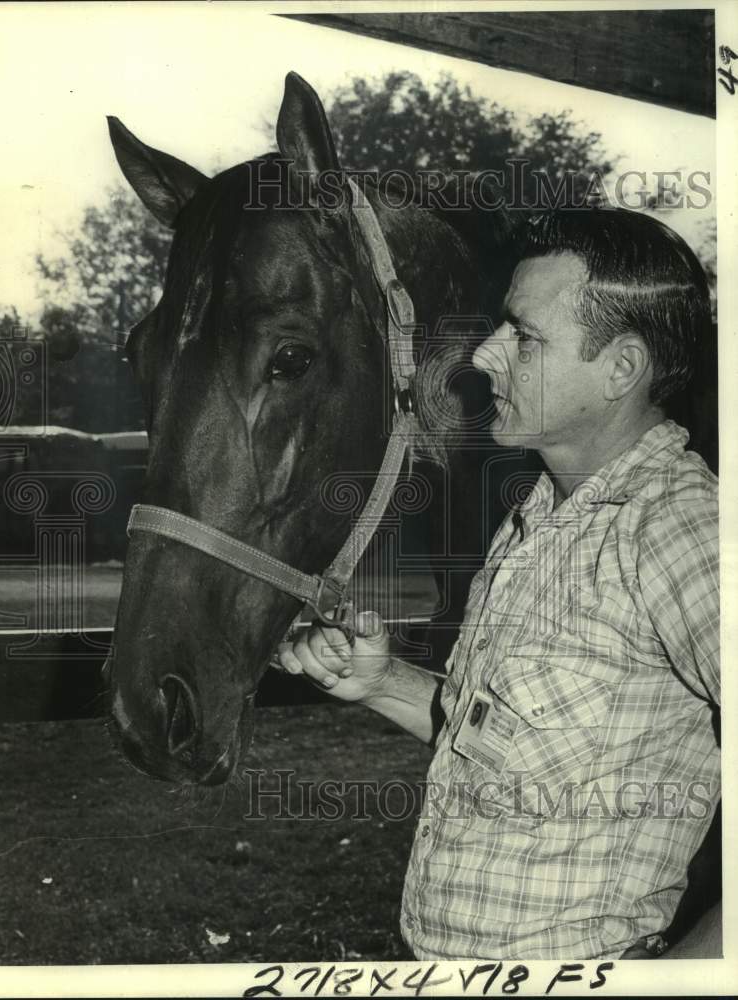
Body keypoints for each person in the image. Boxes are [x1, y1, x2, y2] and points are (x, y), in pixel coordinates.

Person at [277, 208, 720, 960]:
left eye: (525, 335)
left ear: (620, 369)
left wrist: (690, 977)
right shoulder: (538, 515)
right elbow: (505, 740)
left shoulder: (683, 530)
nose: (484, 354)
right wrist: (384, 683)